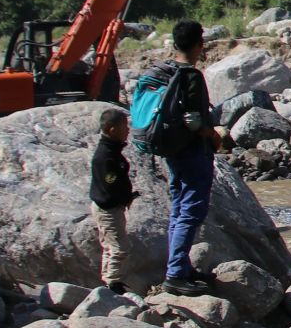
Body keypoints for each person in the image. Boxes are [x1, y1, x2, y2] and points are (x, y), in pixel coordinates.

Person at [139, 20, 231, 296]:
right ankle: (176, 274)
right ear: (199, 45)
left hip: (172, 149)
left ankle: (178, 266)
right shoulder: (190, 76)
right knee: (191, 211)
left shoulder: (164, 71)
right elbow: (192, 120)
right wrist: (212, 135)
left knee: (179, 209)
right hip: (191, 150)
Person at [89, 108, 137, 294]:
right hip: (108, 208)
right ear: (111, 130)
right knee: (119, 247)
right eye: (124, 127)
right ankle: (113, 283)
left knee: (110, 246)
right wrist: (124, 197)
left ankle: (109, 280)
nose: (128, 130)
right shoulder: (105, 156)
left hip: (111, 206)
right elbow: (110, 184)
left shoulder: (111, 151)